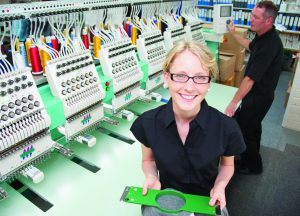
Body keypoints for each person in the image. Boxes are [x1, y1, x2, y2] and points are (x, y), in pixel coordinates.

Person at [130, 41, 246, 216]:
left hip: (206, 201)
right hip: (165, 201)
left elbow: (227, 165)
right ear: (166, 78)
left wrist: (220, 185)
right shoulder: (147, 123)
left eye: (200, 77)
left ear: (208, 84)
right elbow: (148, 161)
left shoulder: (227, 128)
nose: (190, 87)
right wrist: (152, 177)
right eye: (180, 76)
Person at [225, 1, 284, 174]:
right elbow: (250, 46)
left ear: (269, 21)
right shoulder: (262, 35)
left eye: (256, 17)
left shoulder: (270, 44)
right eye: (251, 15)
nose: (251, 20)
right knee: (253, 127)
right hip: (259, 95)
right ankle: (251, 159)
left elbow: (250, 79)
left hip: (259, 96)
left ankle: (253, 165)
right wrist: (234, 34)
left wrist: (234, 102)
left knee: (245, 131)